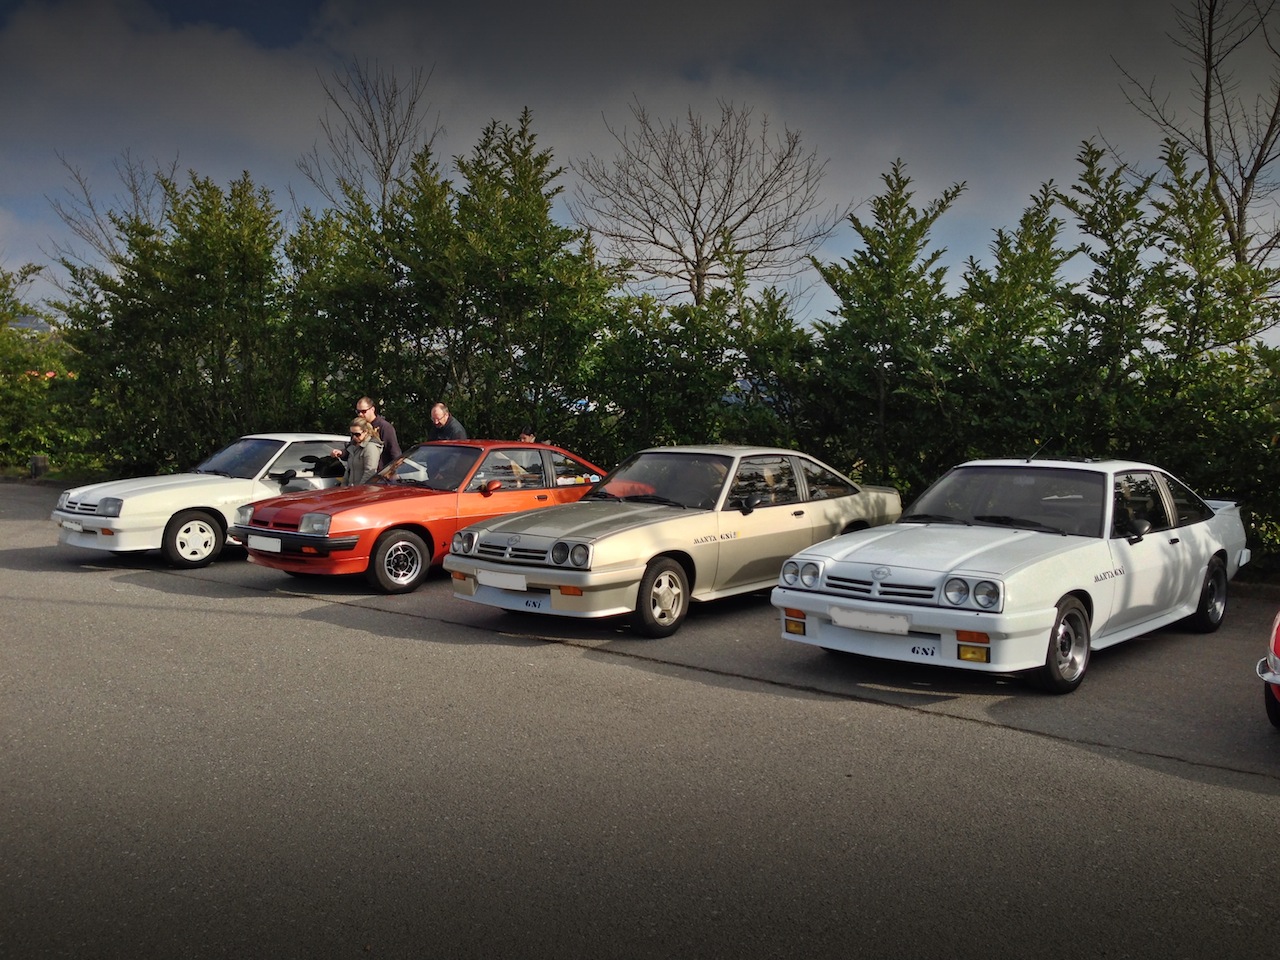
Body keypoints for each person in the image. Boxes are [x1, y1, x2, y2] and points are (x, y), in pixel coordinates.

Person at [355, 396, 400, 469]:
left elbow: (394, 452)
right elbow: (352, 450)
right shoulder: (358, 426)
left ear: (372, 409)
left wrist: (394, 470)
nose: (360, 414)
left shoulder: (384, 427)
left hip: (379, 472)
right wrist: (342, 453)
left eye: (363, 411)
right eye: (358, 411)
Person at [340, 418, 383, 486]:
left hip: (365, 489)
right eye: (352, 434)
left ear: (365, 432)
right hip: (351, 488)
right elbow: (348, 471)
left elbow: (369, 472)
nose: (354, 437)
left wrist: (360, 489)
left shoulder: (370, 447)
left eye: (357, 434)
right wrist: (343, 486)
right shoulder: (352, 447)